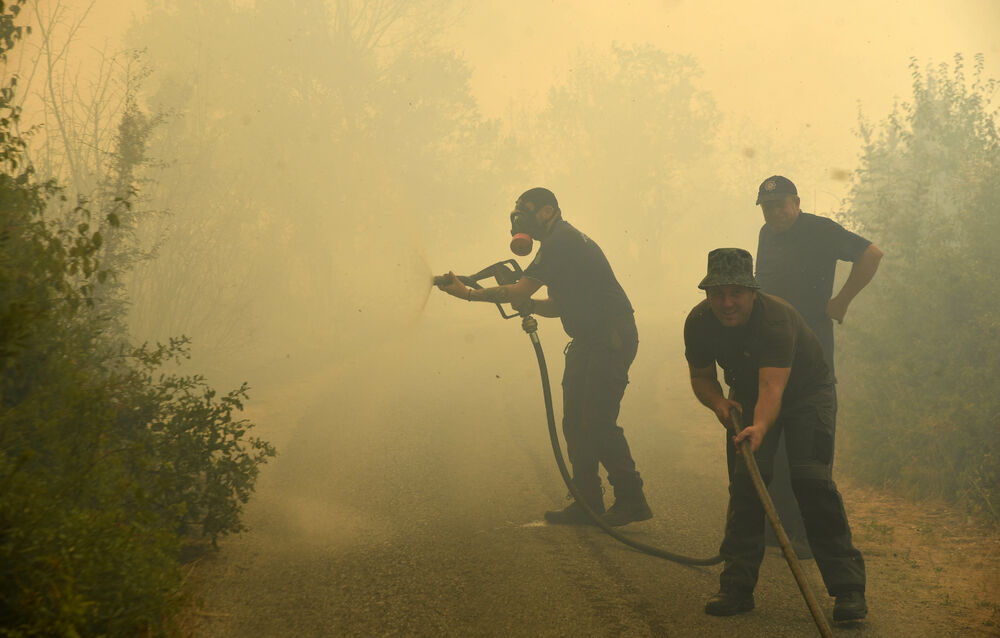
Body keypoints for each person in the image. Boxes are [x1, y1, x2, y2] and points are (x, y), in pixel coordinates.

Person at [435, 187, 652, 527]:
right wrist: (530, 306)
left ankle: (632, 499)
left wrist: (468, 294)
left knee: (596, 421)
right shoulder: (559, 247)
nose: (519, 219)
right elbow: (557, 305)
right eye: (517, 213)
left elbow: (519, 290)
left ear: (548, 211)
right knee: (574, 421)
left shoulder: (560, 241)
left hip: (610, 338)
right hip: (588, 339)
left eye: (527, 211)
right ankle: (587, 501)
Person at [683, 247, 867, 621]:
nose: (727, 302)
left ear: (753, 292)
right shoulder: (699, 322)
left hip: (806, 393)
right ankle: (736, 587)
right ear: (707, 295)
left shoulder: (776, 320)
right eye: (718, 293)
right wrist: (719, 403)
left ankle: (848, 592)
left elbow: (773, 389)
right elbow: (702, 378)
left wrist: (760, 426)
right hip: (748, 394)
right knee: (748, 483)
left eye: (736, 293)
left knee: (811, 482)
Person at [754, 175, 883, 558]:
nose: (775, 212)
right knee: (774, 433)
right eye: (767, 206)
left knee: (811, 438)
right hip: (774, 349)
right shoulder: (767, 234)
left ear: (797, 202)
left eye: (781, 204)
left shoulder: (820, 229)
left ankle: (811, 534)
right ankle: (779, 525)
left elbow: (872, 254)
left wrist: (841, 301)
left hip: (810, 351)